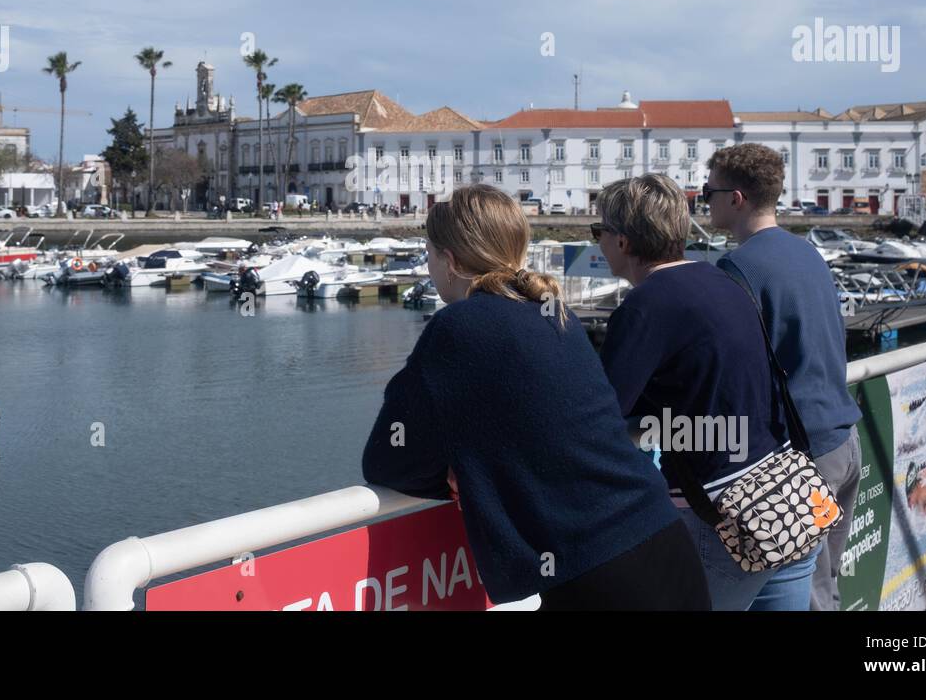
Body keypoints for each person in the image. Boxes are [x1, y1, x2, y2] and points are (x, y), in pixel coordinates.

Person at [362, 184, 709, 610]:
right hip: (663, 541)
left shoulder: (456, 327)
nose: (430, 265)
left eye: (430, 253)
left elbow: (384, 459)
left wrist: (463, 470)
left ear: (450, 261)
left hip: (598, 575)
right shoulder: (552, 312)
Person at [594, 173, 816, 611]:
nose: (597, 242)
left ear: (621, 242)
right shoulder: (723, 283)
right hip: (787, 498)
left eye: (597, 231)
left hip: (723, 519)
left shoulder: (645, 307)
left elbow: (600, 415)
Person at [705, 144, 862, 611]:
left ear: (736, 198)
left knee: (808, 597)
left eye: (707, 192)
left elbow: (735, 371)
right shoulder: (807, 253)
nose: (702, 200)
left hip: (805, 455)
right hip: (844, 440)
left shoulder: (740, 269)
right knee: (825, 589)